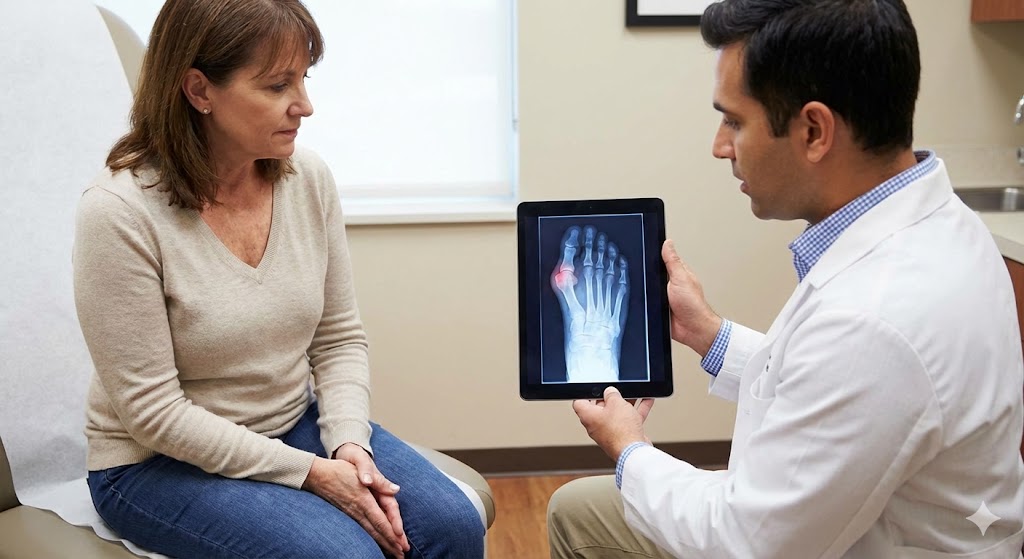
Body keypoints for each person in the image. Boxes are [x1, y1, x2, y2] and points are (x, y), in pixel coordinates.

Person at [547, 0, 1024, 557]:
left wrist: (628, 446)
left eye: (734, 121)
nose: (719, 146)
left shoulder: (875, 319)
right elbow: (835, 387)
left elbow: (744, 542)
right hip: (841, 519)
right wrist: (711, 335)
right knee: (580, 509)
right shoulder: (942, 223)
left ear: (815, 130)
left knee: (588, 509)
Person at [72, 1, 484, 557]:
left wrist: (347, 444)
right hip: (155, 464)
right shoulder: (118, 213)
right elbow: (153, 416)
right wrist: (310, 473)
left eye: (304, 79)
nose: (305, 106)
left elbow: (338, 337)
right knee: (346, 555)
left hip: (293, 425)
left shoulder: (307, 178)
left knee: (453, 528)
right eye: (276, 86)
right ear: (199, 91)